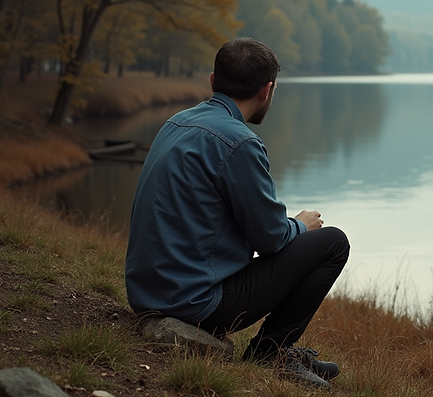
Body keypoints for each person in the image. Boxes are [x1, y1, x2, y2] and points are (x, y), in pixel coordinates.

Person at [125, 38, 350, 388]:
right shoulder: (239, 142)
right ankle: (271, 352)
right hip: (195, 303)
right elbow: (271, 239)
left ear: (214, 81)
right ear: (267, 90)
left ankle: (278, 352)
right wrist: (300, 226)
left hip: (146, 293)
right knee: (333, 242)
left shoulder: (176, 123)